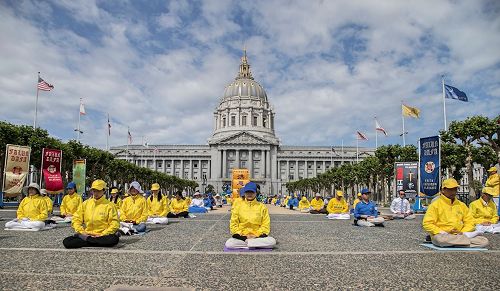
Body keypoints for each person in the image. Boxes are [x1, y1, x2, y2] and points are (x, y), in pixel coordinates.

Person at [423, 178, 488, 248]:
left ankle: (456, 243)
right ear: (443, 190)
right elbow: (427, 223)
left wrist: (463, 232)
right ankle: (462, 243)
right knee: (441, 240)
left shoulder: (461, 205)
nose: (453, 192)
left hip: (460, 234)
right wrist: (443, 232)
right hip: (443, 234)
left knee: (484, 241)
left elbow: (470, 221)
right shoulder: (435, 205)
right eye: (450, 189)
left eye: (455, 189)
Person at [62, 179, 120, 248]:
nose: (96, 193)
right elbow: (76, 219)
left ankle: (88, 241)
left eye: (98, 191)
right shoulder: (85, 203)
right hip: (87, 234)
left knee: (113, 239)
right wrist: (81, 231)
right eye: (94, 190)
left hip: (102, 235)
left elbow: (114, 223)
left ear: (104, 191)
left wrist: (103, 234)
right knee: (67, 242)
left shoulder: (110, 205)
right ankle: (94, 242)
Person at [225, 182, 277, 249]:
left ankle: (248, 245)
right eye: (247, 192)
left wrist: (255, 235)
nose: (249, 194)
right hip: (242, 237)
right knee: (229, 243)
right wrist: (244, 237)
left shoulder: (262, 207)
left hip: (257, 236)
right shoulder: (238, 206)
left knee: (272, 241)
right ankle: (254, 245)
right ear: (244, 193)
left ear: (256, 193)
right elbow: (233, 224)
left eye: (252, 192)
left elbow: (265, 225)